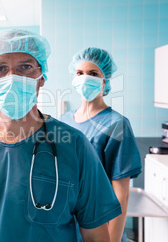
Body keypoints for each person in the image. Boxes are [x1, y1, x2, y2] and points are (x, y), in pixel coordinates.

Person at [0, 29, 122, 242]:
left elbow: (94, 234)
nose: (12, 77)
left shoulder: (74, 145)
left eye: (25, 67)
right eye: (0, 68)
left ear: (42, 78)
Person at [61, 47, 142, 242]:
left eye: (93, 73)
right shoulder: (64, 121)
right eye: (80, 73)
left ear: (104, 80)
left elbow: (121, 196)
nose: (85, 78)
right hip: (67, 222)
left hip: (101, 225)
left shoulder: (116, 124)